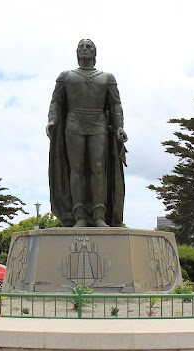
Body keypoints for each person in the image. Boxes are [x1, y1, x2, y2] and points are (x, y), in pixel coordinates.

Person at [46, 39, 128, 227]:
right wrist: (52, 120)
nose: (85, 49)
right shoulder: (66, 76)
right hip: (74, 124)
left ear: (94, 53)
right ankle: (80, 216)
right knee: (76, 168)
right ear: (76, 52)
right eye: (81, 46)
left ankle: (99, 215)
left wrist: (120, 126)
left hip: (98, 124)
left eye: (88, 46)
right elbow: (56, 102)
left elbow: (116, 104)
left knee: (98, 167)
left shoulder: (107, 77)